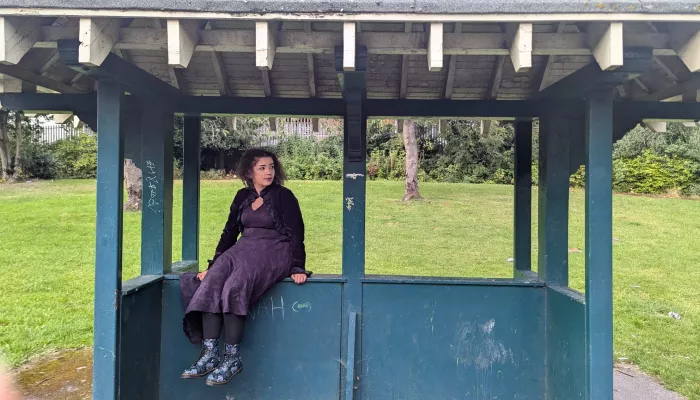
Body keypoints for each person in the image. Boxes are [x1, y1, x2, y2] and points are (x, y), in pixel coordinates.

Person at [179, 148, 310, 386]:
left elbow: (296, 234)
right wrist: (213, 263)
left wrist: (298, 267)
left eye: (271, 167)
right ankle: (210, 355)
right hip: (245, 247)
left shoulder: (284, 196)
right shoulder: (242, 196)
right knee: (213, 281)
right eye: (262, 168)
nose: (268, 172)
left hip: (275, 249)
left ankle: (232, 358)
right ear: (249, 171)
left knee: (235, 285)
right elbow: (230, 232)